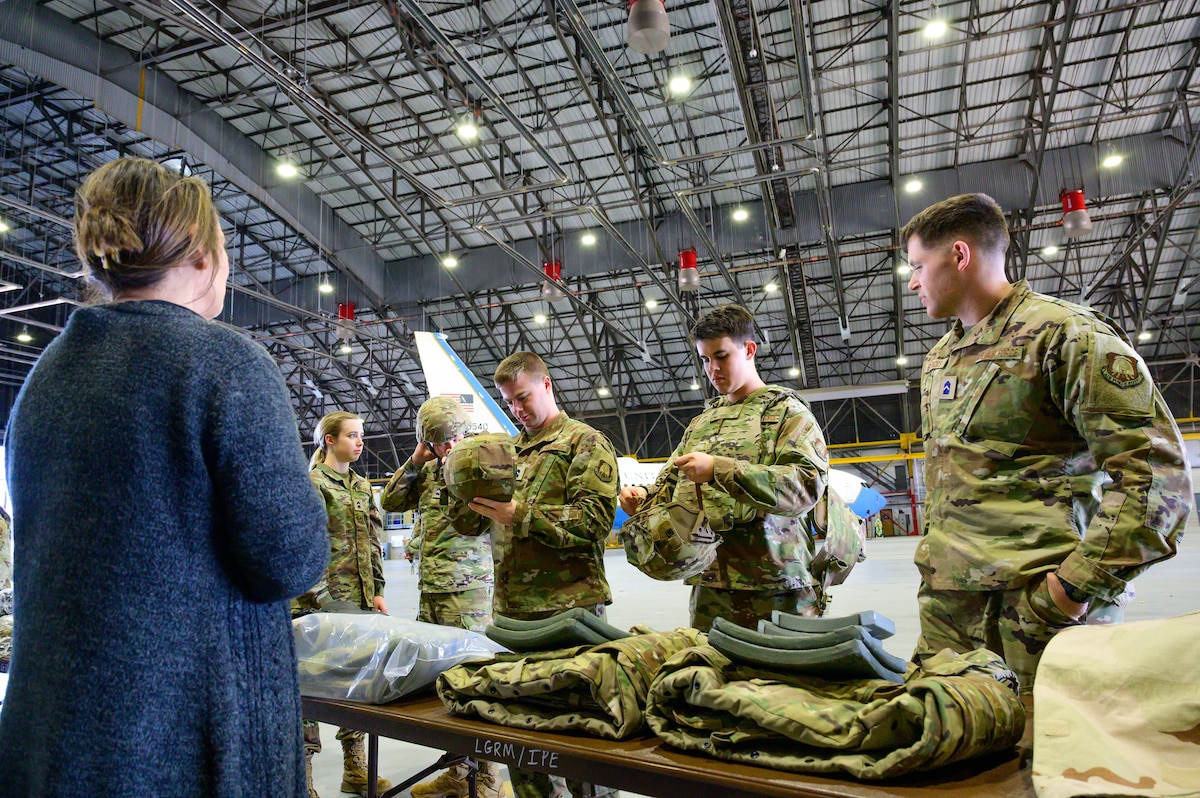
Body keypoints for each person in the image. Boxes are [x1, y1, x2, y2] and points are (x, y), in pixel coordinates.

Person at [0, 157, 329, 796]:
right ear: (204, 257)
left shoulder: (46, 377)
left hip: (57, 734)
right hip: (186, 738)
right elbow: (288, 558)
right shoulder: (227, 364)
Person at [903, 192, 1191, 694]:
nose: (912, 282)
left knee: (1053, 759)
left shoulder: (1064, 337)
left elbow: (1156, 476)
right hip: (949, 616)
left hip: (1037, 613)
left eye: (917, 266)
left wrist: (1072, 589)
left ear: (959, 255)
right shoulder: (941, 358)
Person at [618, 304, 830, 632]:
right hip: (711, 589)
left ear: (748, 350)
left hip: (777, 589)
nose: (712, 369)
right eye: (704, 359)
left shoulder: (786, 414)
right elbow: (670, 483)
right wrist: (643, 498)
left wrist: (719, 469)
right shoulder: (702, 424)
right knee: (708, 677)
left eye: (721, 356)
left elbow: (806, 485)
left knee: (781, 682)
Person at [470, 351, 619, 798]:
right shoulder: (506, 453)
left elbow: (593, 523)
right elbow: (476, 523)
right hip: (514, 616)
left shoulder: (585, 443)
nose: (517, 409)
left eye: (523, 397)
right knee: (520, 734)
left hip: (571, 613)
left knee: (581, 737)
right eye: (509, 402)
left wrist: (521, 515)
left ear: (547, 385)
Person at [383, 396, 502, 798]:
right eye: (439, 443)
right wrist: (416, 461)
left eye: (453, 439)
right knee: (445, 682)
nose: (449, 448)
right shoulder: (429, 470)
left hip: (467, 590)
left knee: (475, 680)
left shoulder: (478, 465)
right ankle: (458, 769)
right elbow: (391, 502)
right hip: (432, 590)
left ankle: (486, 777)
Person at [296, 411, 393, 798]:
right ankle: (301, 779)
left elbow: (373, 540)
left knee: (354, 681)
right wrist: (324, 600)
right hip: (315, 603)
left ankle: (355, 768)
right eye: (352, 435)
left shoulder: (361, 485)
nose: (360, 442)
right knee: (310, 688)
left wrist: (379, 591)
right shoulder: (311, 484)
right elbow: (305, 547)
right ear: (329, 441)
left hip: (359, 602)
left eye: (362, 435)